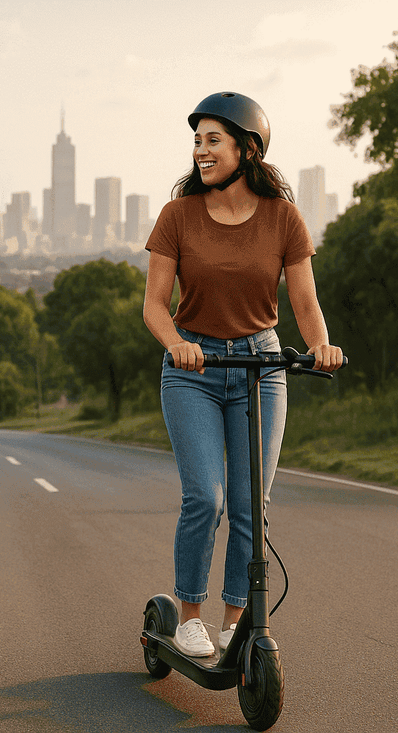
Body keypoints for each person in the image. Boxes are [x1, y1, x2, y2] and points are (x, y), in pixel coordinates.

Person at [143, 92, 343, 657]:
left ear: (246, 148)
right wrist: (178, 343)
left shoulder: (283, 217)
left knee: (251, 504)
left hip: (260, 364)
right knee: (205, 497)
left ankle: (236, 623)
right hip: (194, 369)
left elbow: (304, 302)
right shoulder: (177, 215)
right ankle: (189, 616)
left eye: (213, 140)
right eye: (197, 141)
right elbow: (155, 304)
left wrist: (320, 347)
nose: (201, 152)